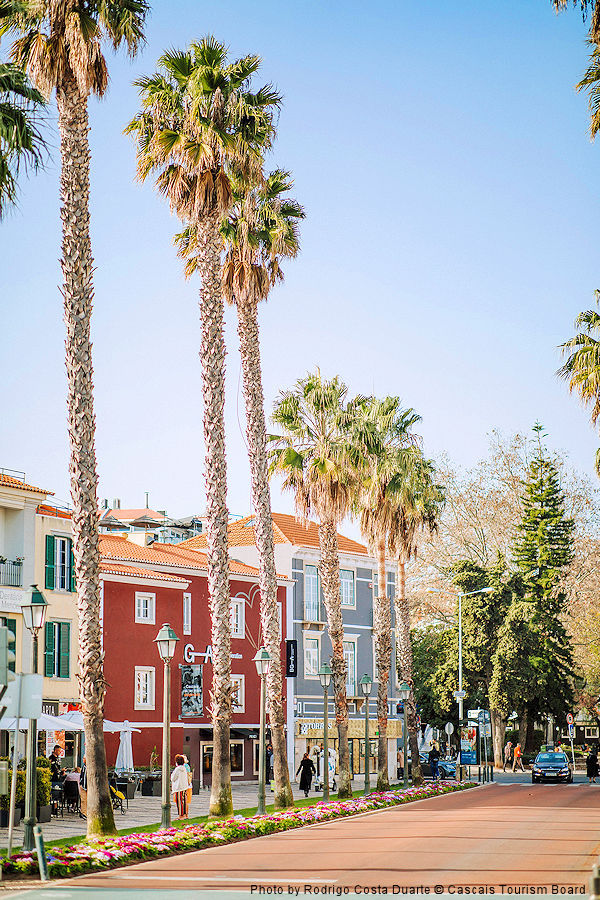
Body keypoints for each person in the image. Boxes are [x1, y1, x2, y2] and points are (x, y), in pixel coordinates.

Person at [171, 754, 189, 818]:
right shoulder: (184, 768)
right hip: (184, 787)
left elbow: (173, 778)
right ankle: (185, 814)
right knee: (184, 801)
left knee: (179, 802)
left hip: (178, 787)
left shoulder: (177, 769)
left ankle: (181, 816)